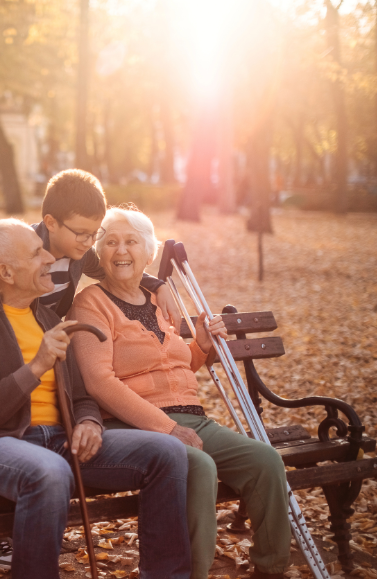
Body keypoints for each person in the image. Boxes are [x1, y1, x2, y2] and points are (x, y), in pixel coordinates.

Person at [0, 218, 192, 579]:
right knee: (50, 472)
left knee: (167, 452)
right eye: (35, 253)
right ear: (6, 272)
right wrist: (36, 365)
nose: (48, 259)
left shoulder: (46, 317)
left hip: (58, 440)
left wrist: (88, 421)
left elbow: (81, 394)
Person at [68, 205, 291, 579]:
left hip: (193, 419)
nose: (121, 251)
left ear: (148, 251)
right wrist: (167, 429)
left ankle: (271, 569)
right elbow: (99, 382)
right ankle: (193, 574)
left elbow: (176, 367)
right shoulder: (90, 304)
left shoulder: (157, 299)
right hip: (135, 427)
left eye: (131, 242)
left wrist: (201, 345)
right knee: (199, 466)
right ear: (99, 253)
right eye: (110, 243)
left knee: (265, 461)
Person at [0, 169, 181, 371]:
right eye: (81, 233)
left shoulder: (81, 255)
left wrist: (157, 286)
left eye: (95, 234)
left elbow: (114, 268)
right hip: (4, 346)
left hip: (46, 346)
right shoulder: (20, 250)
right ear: (51, 223)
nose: (88, 242)